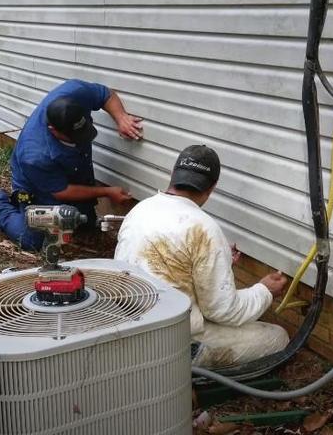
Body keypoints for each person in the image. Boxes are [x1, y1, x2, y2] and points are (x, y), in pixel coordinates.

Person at [114, 145, 290, 368]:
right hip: (175, 340)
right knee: (277, 337)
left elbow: (171, 269)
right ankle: (190, 368)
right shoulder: (204, 228)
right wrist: (265, 291)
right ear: (213, 187)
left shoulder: (140, 210)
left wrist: (218, 257)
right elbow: (224, 312)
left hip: (130, 324)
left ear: (173, 176)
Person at [0, 79, 139, 250]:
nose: (81, 140)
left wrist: (121, 118)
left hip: (68, 166)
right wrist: (107, 191)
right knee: (36, 240)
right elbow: (63, 191)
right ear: (53, 129)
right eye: (75, 137)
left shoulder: (73, 93)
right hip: (35, 184)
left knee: (83, 223)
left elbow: (106, 94)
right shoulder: (35, 156)